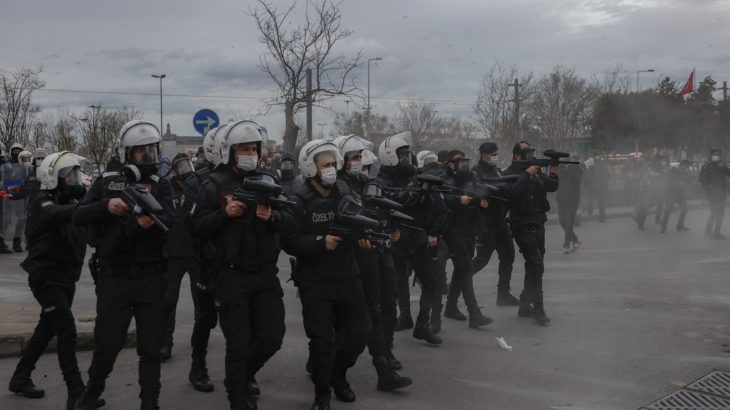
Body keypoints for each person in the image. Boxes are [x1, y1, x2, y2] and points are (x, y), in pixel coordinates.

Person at [188, 120, 293, 410]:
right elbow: (195, 226)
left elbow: (291, 221)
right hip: (231, 275)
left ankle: (244, 376)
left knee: (272, 336)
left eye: (254, 149)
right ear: (230, 152)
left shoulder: (269, 180)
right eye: (244, 149)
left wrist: (271, 217)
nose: (250, 153)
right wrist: (225, 213)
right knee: (237, 344)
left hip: (264, 274)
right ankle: (238, 399)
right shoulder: (214, 184)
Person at [72, 120, 173, 410]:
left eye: (151, 150)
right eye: (141, 151)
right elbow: (79, 215)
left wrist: (150, 222)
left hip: (151, 276)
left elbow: (173, 222)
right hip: (115, 277)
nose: (148, 156)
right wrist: (107, 206)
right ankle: (91, 395)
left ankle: (149, 403)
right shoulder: (107, 183)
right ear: (126, 153)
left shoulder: (160, 184)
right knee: (107, 344)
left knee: (151, 348)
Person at [8, 151, 106, 410]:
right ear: (54, 177)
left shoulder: (73, 198)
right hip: (46, 277)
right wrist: (89, 207)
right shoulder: (43, 201)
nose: (75, 179)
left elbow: (89, 214)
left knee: (46, 329)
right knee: (66, 330)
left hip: (66, 277)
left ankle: (20, 377)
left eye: (76, 174)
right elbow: (60, 215)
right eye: (69, 175)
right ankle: (76, 392)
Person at [282, 140, 373, 410]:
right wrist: (321, 242)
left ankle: (338, 375)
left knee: (361, 331)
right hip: (315, 279)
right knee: (321, 340)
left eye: (334, 164)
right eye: (326, 165)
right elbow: (288, 240)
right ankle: (322, 394)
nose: (331, 170)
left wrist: (367, 236)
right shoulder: (298, 198)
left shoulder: (345, 190)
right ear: (311, 167)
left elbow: (359, 221)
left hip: (347, 274)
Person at [333, 134, 412, 392]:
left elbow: (378, 210)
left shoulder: (366, 182)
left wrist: (391, 227)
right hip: (351, 258)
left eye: (361, 158)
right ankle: (328, 366)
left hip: (375, 252)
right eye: (354, 158)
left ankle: (384, 364)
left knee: (381, 308)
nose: (359, 163)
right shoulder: (338, 185)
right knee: (353, 318)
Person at [378, 133, 445, 345]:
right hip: (397, 236)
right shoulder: (381, 179)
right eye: (402, 154)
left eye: (408, 153)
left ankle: (422, 325)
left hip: (417, 236)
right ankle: (403, 316)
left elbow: (436, 205)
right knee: (398, 281)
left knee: (432, 282)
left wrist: (425, 192)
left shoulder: (416, 176)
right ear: (390, 156)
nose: (406, 158)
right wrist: (403, 196)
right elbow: (381, 200)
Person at [504, 142, 559, 326]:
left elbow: (552, 186)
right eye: (527, 153)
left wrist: (554, 167)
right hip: (521, 223)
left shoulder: (536, 172)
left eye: (532, 152)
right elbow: (513, 193)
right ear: (518, 156)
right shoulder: (511, 171)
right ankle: (539, 308)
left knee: (535, 265)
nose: (531, 156)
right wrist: (528, 173)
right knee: (535, 263)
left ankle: (525, 304)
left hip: (538, 222)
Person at [440, 150, 493, 329]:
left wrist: (482, 204)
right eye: (458, 161)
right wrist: (457, 199)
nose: (463, 165)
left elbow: (480, 194)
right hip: (454, 231)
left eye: (464, 161)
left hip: (469, 229)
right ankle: (474, 313)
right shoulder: (445, 178)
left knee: (462, 270)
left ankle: (451, 306)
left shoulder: (471, 178)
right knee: (465, 270)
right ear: (450, 164)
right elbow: (441, 198)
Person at [160, 154, 201, 361]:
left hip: (194, 253)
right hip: (173, 254)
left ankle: (198, 340)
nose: (185, 170)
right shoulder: (167, 189)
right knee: (168, 301)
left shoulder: (197, 187)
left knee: (200, 300)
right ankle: (165, 343)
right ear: (173, 170)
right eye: (180, 166)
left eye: (187, 165)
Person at [470, 142, 519, 306]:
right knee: (482, 259)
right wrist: (479, 200)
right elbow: (472, 192)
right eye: (493, 154)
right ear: (484, 155)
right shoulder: (475, 172)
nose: (496, 156)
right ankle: (457, 284)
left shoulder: (497, 171)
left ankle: (503, 294)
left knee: (508, 256)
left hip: (500, 222)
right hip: (485, 223)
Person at [699, 149, 730, 239]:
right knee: (715, 212)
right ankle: (712, 231)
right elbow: (702, 179)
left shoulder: (722, 165)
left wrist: (725, 167)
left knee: (719, 213)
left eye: (718, 155)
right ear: (711, 155)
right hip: (712, 193)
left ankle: (713, 231)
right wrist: (709, 189)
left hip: (721, 192)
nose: (716, 156)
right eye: (714, 154)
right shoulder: (707, 166)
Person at [557, 162, 584, 253]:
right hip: (561, 199)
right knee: (562, 221)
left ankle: (566, 245)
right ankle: (575, 240)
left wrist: (570, 168)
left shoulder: (578, 169)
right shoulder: (561, 168)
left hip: (573, 199)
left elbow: (575, 180)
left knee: (569, 222)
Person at [660, 160, 692, 233]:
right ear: (682, 164)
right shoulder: (673, 170)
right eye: (686, 166)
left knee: (685, 209)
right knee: (668, 210)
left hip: (679, 193)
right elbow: (673, 180)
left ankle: (680, 226)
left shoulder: (684, 172)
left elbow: (688, 181)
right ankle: (663, 227)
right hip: (670, 193)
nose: (687, 168)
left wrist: (690, 175)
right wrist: (685, 175)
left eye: (687, 167)